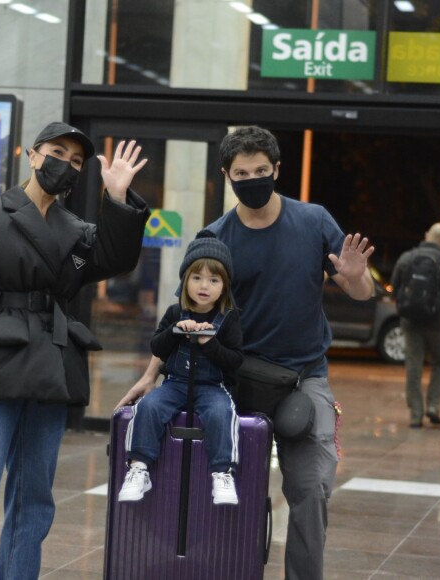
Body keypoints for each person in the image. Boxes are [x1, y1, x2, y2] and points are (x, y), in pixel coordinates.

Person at [117, 125, 375, 580]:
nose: (253, 178)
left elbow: (360, 292)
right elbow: (183, 315)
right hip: (233, 379)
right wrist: (149, 375)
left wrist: (355, 277)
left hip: (304, 378)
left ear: (277, 170)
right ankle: (235, 568)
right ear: (226, 175)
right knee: (234, 488)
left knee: (312, 489)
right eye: (242, 172)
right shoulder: (216, 235)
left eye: (261, 170)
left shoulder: (314, 221)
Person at [0, 121, 150, 580]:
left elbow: (115, 258)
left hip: (51, 365)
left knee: (35, 494)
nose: (66, 164)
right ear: (32, 154)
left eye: (77, 161)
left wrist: (116, 197)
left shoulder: (77, 230)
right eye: (57, 153)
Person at [118, 231, 243, 505]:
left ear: (224, 286)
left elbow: (235, 360)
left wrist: (209, 343)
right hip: (174, 383)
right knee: (148, 406)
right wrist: (175, 331)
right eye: (196, 277)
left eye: (213, 280)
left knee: (222, 412)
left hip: (211, 387)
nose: (204, 285)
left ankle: (222, 473)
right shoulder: (175, 313)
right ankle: (138, 468)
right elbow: (157, 347)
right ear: (185, 280)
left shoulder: (230, 319)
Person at [391, 222, 440, 428]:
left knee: (414, 364)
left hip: (410, 321)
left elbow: (395, 286)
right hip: (438, 321)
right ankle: (433, 406)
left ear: (426, 235)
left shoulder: (407, 258)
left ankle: (416, 414)